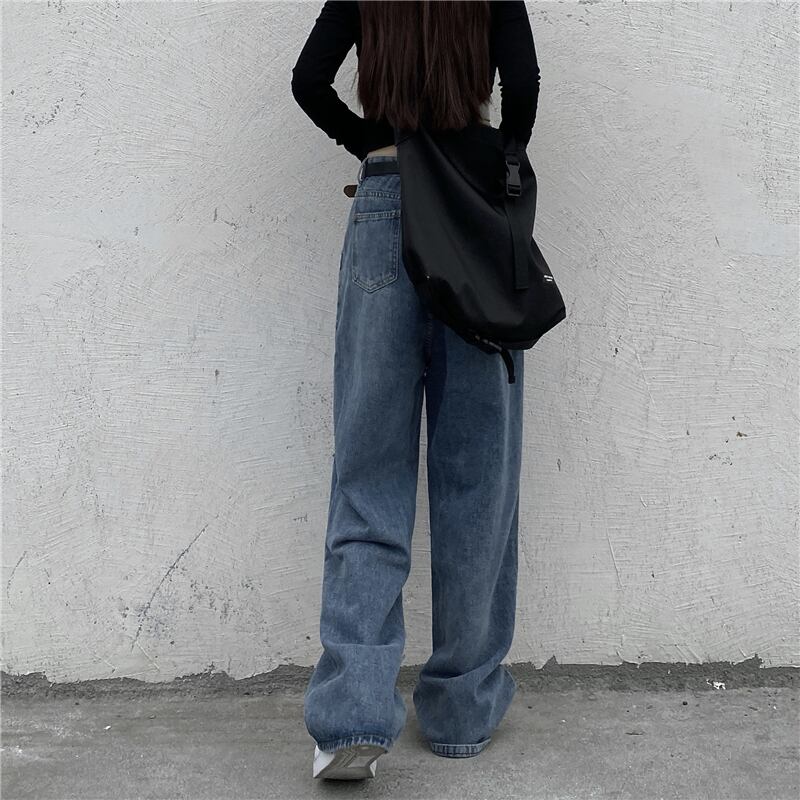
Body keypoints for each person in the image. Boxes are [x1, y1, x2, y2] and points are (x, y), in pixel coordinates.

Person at [290, 0, 540, 781]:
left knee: (369, 472)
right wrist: (496, 152)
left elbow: (308, 81)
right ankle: (461, 709)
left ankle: (351, 718)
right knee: (478, 476)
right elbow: (525, 83)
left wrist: (376, 141)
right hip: (468, 210)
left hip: (385, 201)